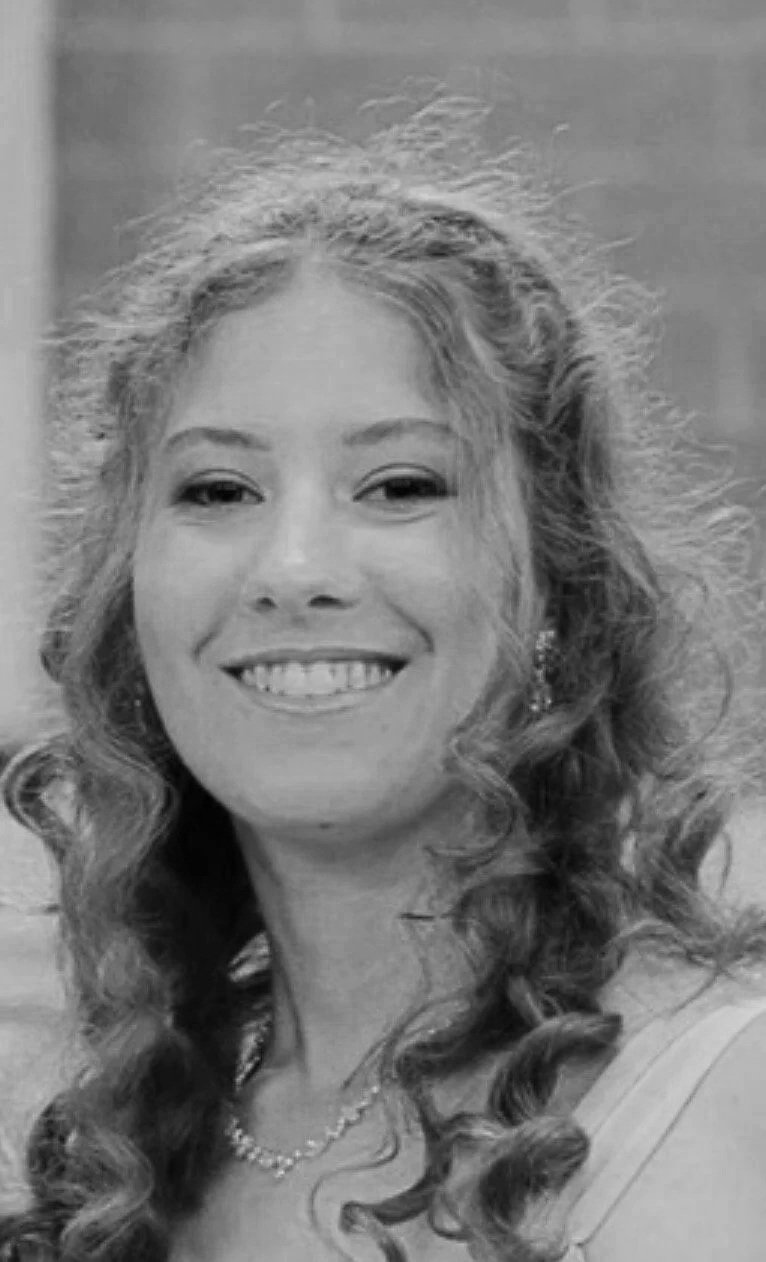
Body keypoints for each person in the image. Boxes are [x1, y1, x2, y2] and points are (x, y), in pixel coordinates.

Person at [1, 98, 765, 1262]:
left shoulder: (713, 1102)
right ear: (125, 595)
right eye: (216, 490)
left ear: (559, 577)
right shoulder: (103, 1123)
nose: (293, 569)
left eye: (401, 483)